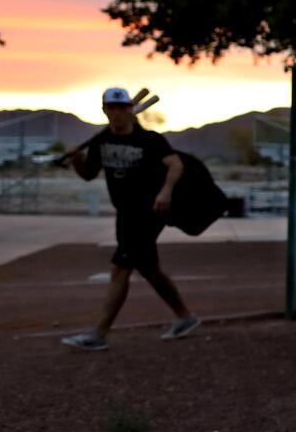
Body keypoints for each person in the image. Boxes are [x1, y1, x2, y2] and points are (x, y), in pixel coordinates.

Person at [60, 87, 199, 350]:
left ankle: (98, 334)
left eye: (122, 107)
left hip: (149, 212)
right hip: (125, 214)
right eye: (111, 108)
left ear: (130, 110)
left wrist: (166, 192)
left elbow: (176, 164)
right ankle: (185, 317)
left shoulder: (149, 140)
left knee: (120, 268)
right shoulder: (101, 142)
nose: (117, 112)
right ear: (105, 110)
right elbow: (89, 174)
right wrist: (77, 160)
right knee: (149, 269)